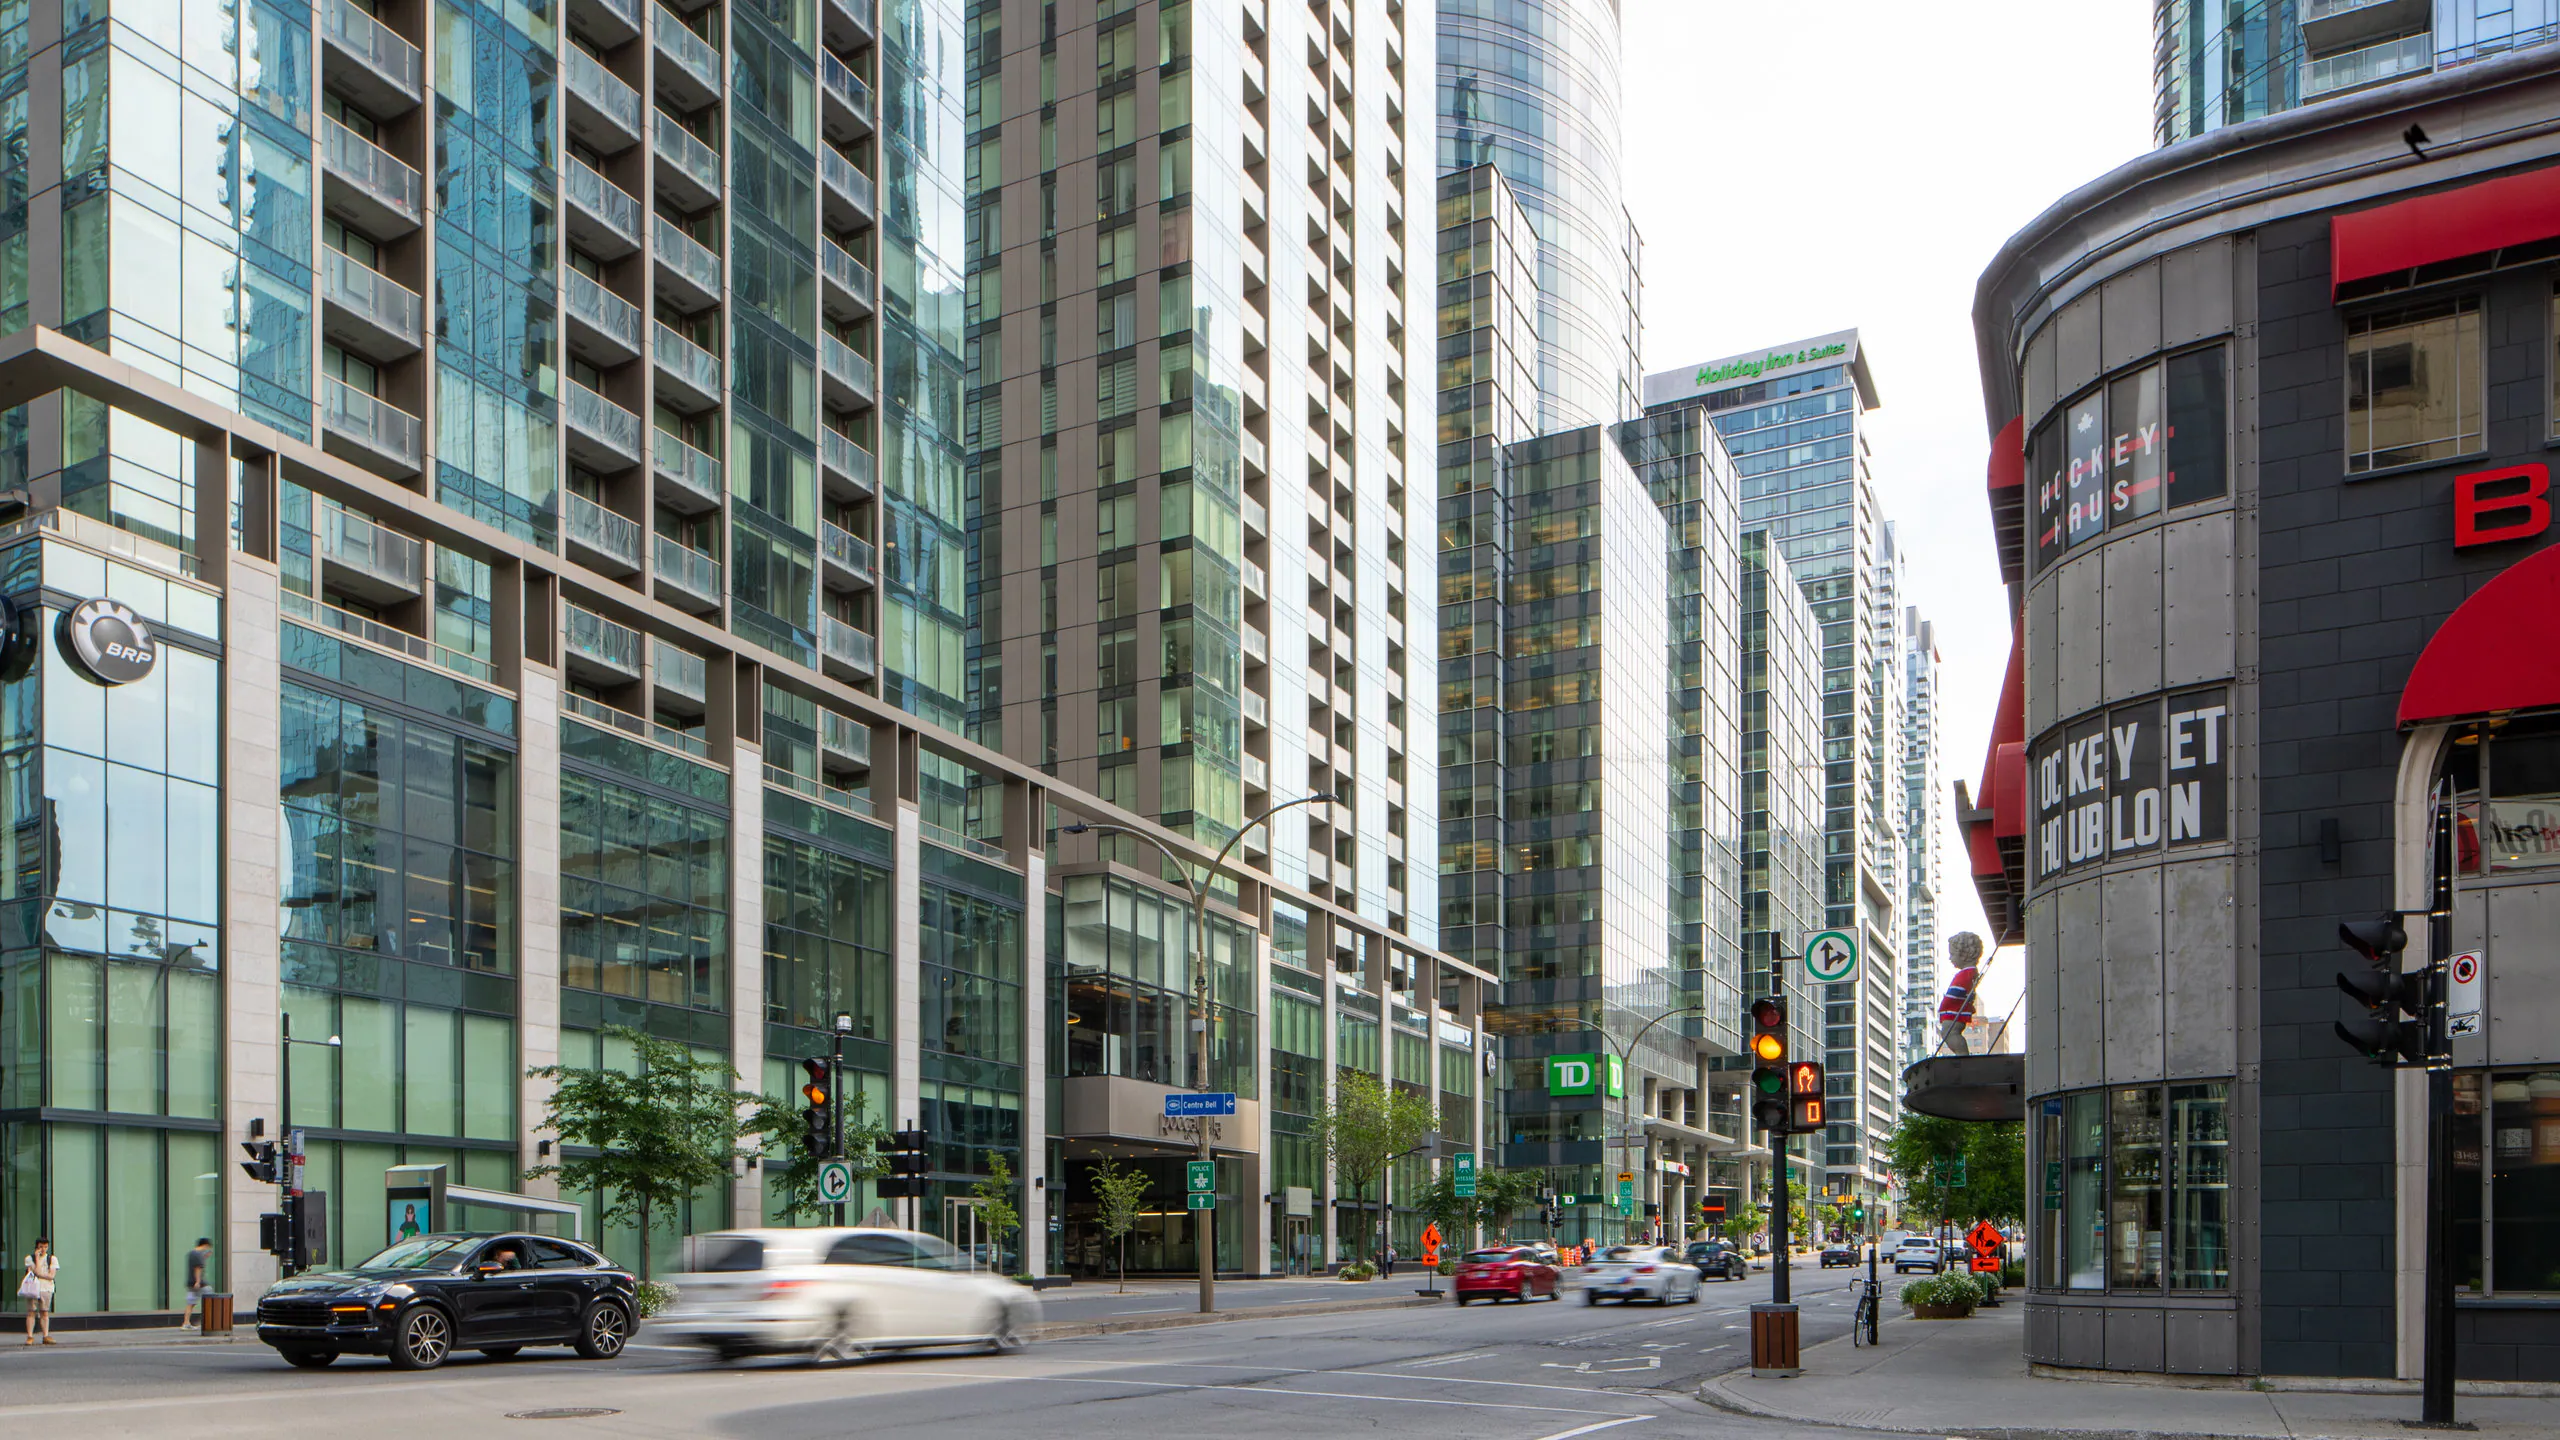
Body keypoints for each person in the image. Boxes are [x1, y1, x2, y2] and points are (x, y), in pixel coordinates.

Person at [19, 1238, 57, 1345]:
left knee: (44, 1312)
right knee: (31, 1312)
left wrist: (43, 1275)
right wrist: (36, 1257)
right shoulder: (29, 1258)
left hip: (46, 1288)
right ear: (37, 1247)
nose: (43, 1249)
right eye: (41, 1247)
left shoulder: (52, 1259)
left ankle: (45, 1335)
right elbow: (37, 1271)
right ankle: (30, 1336)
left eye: (45, 1247)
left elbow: (52, 1275)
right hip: (32, 1288)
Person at [180, 1238, 213, 1328]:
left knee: (190, 1303)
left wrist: (205, 1257)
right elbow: (198, 1268)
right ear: (205, 1245)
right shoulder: (198, 1255)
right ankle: (206, 1321)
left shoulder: (191, 1253)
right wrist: (198, 1281)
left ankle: (186, 1323)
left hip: (190, 1283)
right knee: (211, 1299)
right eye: (208, 1247)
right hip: (199, 1283)